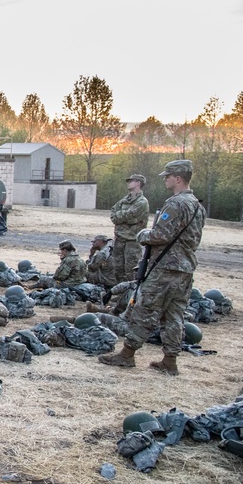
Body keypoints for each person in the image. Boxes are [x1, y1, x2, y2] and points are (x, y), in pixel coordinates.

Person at [99, 160, 205, 376]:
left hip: (165, 267)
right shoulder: (197, 205)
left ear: (178, 178)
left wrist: (143, 234)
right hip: (184, 269)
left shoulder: (176, 204)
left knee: (145, 310)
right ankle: (170, 360)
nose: (165, 179)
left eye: (168, 176)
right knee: (174, 315)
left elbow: (160, 235)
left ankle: (127, 354)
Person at [110, 174, 150, 284]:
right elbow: (113, 214)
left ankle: (131, 296)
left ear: (138, 183)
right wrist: (123, 217)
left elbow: (130, 216)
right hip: (119, 240)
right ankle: (120, 295)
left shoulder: (142, 202)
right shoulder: (124, 200)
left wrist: (121, 217)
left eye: (131, 181)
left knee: (131, 271)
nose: (129, 183)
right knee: (118, 270)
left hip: (132, 241)